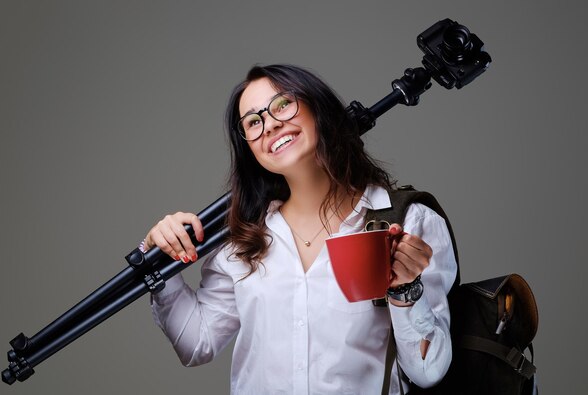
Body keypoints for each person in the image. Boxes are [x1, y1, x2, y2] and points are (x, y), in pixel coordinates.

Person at [142, 64, 457, 394]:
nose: (270, 125)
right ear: (248, 146)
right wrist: (158, 259)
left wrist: (406, 291)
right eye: (253, 122)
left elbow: (428, 370)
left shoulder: (407, 221)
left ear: (317, 107)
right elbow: (196, 343)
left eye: (282, 105)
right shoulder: (243, 238)